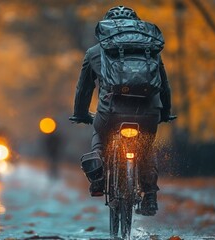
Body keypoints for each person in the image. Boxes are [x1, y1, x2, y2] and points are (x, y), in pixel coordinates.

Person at [70, 6, 172, 216]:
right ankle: (150, 195)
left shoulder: (94, 52)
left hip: (111, 113)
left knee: (100, 133)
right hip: (148, 114)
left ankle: (98, 178)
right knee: (146, 147)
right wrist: (165, 112)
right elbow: (164, 86)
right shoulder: (150, 50)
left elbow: (84, 89)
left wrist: (80, 114)